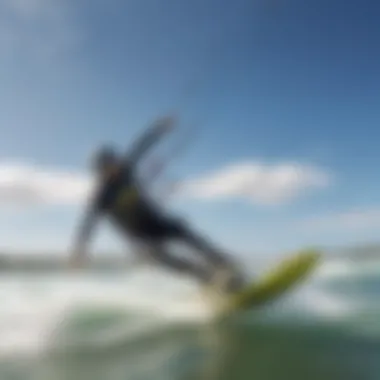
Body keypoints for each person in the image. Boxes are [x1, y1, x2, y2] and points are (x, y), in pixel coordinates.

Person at [69, 117, 246, 293]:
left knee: (184, 231)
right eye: (108, 166)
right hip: (140, 239)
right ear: (100, 171)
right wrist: (80, 250)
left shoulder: (125, 170)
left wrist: (158, 129)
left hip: (154, 222)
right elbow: (88, 223)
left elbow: (140, 147)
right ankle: (211, 283)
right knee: (173, 262)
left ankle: (225, 265)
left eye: (114, 161)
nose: (115, 167)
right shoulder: (102, 196)